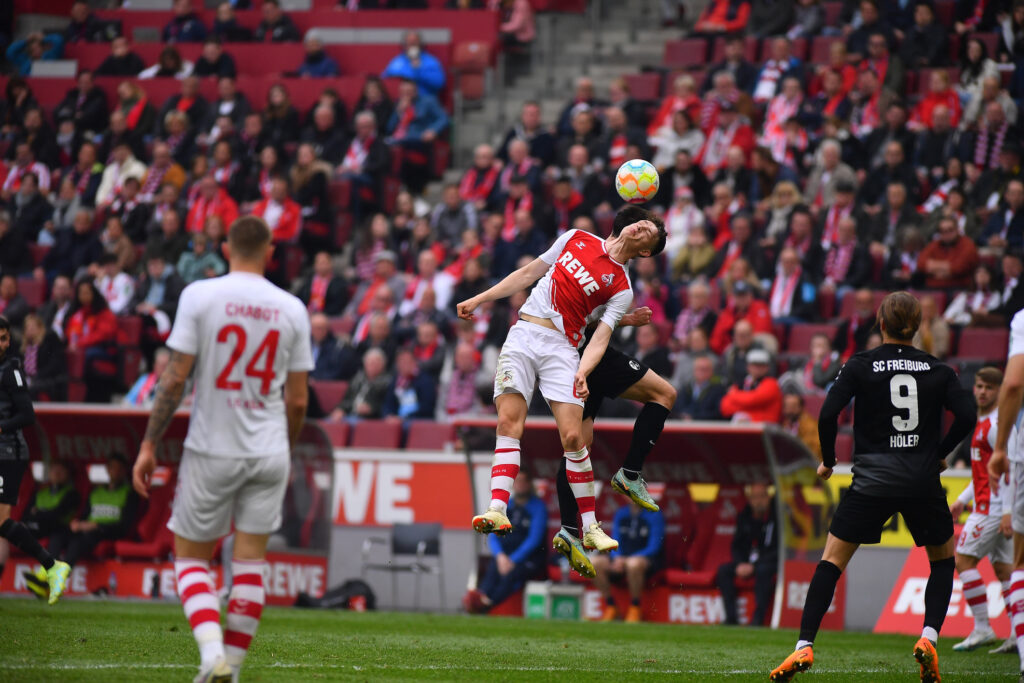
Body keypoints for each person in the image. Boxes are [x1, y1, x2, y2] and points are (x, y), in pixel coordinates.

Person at [132, 216, 313, 683]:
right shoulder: (292, 307)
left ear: (226, 247)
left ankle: (212, 654)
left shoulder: (200, 295)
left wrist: (149, 443)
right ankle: (230, 670)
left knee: (192, 556)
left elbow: (174, 377)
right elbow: (297, 400)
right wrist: (285, 448)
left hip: (213, 444)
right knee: (251, 561)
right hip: (269, 448)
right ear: (270, 251)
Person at [770, 292, 976, 682]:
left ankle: (804, 646)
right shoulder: (939, 369)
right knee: (943, 561)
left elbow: (829, 413)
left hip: (871, 481)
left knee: (831, 561)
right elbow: (967, 415)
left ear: (881, 323)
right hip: (921, 481)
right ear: (917, 327)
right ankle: (929, 637)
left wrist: (830, 460)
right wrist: (941, 453)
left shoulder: (860, 365)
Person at [457, 206, 667, 579]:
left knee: (573, 436)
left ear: (646, 250)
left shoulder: (621, 286)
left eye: (650, 229)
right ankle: (497, 509)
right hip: (523, 333)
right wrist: (480, 298)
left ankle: (588, 527)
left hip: (563, 349)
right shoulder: (576, 238)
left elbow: (600, 335)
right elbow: (528, 273)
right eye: (642, 221)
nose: (642, 226)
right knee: (509, 423)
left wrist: (584, 370)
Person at [0, 315, 71, 604]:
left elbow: (27, 415)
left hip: (9, 452)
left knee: (2, 522)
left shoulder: (11, 369)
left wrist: (2, 427)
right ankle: (52, 566)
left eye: (4, 338)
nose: (1, 343)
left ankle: (53, 566)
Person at [948, 367, 1015, 653]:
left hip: (993, 509)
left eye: (989, 387)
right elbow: (983, 473)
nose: (983, 391)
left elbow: (1010, 470)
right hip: (989, 506)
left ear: (1000, 391)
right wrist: (963, 498)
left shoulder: (1000, 424)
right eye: (979, 386)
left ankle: (982, 627)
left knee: (963, 561)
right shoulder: (982, 421)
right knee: (1004, 570)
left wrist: (1008, 511)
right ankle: (1017, 634)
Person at [463, 470, 546, 614]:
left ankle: (484, 605)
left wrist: (513, 560)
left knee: (511, 574)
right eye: (517, 481)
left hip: (528, 559)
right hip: (505, 557)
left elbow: (534, 540)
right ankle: (481, 597)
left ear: (529, 484)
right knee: (493, 568)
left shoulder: (537, 507)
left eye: (523, 481)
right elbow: (493, 535)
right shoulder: (505, 506)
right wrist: (500, 556)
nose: (520, 485)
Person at [592, 501, 666, 623]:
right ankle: (611, 606)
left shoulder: (654, 513)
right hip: (621, 558)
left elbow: (654, 546)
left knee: (633, 564)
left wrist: (627, 560)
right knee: (594, 563)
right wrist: (617, 558)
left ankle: (635, 607)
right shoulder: (621, 513)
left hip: (647, 559)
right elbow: (614, 539)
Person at [717, 482, 779, 626]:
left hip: (767, 562)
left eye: (763, 496)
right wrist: (740, 563)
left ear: (769, 498)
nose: (759, 501)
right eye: (755, 497)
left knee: (764, 571)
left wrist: (755, 565)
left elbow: (778, 550)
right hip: (746, 562)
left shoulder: (776, 517)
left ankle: (757, 620)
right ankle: (731, 619)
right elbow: (736, 545)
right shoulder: (744, 516)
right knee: (724, 570)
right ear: (750, 500)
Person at [720, 349, 783, 423]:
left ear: (767, 368)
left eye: (761, 365)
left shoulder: (772, 384)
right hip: (744, 429)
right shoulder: (742, 384)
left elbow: (754, 399)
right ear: (748, 366)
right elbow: (725, 407)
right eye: (754, 365)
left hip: (765, 430)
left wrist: (734, 394)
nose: (758, 368)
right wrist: (751, 407)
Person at [381, 30, 446, 97]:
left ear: (420, 44)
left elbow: (439, 83)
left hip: (425, 99)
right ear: (404, 44)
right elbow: (386, 77)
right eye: (409, 42)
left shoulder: (430, 61)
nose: (412, 45)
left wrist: (419, 71)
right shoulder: (399, 60)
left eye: (414, 42)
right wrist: (407, 73)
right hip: (403, 99)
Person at [20, 313, 67, 402]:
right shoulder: (24, 347)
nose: (29, 330)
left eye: (32, 327)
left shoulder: (50, 339)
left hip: (49, 379)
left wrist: (36, 377)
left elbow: (54, 364)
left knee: (31, 389)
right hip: (30, 379)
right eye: (27, 328)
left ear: (40, 328)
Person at [781, 393, 822, 460]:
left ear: (801, 408)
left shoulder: (810, 426)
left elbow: (813, 451)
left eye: (793, 407)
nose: (789, 411)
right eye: (786, 407)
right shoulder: (785, 424)